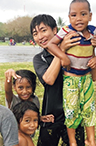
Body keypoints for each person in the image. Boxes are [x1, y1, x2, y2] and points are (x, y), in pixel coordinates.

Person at [43, 0, 96, 145]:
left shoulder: (94, 32)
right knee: (71, 110)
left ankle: (91, 140)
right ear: (69, 17)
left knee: (89, 109)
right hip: (71, 79)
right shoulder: (66, 31)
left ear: (90, 16)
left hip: (87, 79)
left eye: (83, 14)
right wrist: (62, 56)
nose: (78, 18)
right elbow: (51, 44)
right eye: (74, 15)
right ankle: (72, 142)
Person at [30, 14, 88, 146]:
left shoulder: (73, 51)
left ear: (55, 30)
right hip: (51, 116)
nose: (40, 37)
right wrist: (60, 50)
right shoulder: (40, 59)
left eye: (43, 30)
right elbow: (49, 80)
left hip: (74, 113)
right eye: (35, 33)